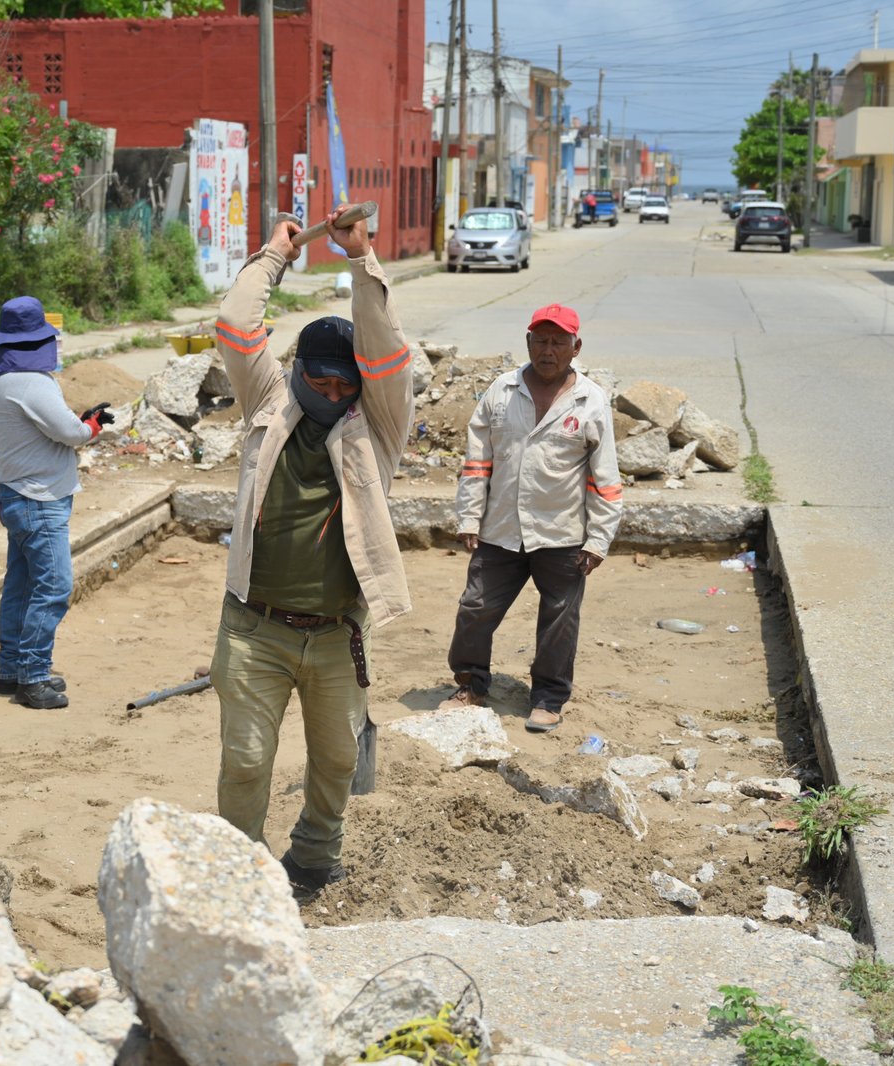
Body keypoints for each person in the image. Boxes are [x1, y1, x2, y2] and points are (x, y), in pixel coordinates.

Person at [211, 206, 414, 896]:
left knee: (334, 761)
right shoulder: (268, 399)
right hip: (253, 628)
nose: (331, 397)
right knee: (244, 760)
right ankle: (243, 871)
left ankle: (314, 856)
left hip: (335, 636)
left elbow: (386, 351)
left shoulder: (376, 423)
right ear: (297, 374)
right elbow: (237, 328)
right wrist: (274, 257)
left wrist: (361, 261)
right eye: (320, 384)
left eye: (342, 386)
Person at [441, 303, 622, 733]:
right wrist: (469, 517)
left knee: (559, 620)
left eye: (559, 341)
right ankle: (470, 685)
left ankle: (548, 697)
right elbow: (476, 462)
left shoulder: (591, 402)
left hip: (562, 534)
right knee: (475, 608)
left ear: (576, 347)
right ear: (527, 343)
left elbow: (605, 479)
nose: (548, 350)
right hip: (500, 529)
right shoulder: (500, 392)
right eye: (540, 340)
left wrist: (598, 540)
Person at [0, 296, 114, 710]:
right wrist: (90, 425)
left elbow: (45, 425)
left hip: (15, 493)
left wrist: (78, 421)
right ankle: (34, 678)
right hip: (40, 499)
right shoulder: (32, 382)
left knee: (21, 583)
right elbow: (71, 434)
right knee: (55, 585)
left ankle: (12, 669)